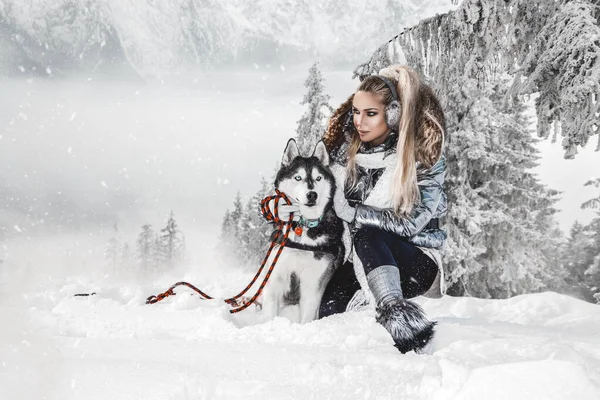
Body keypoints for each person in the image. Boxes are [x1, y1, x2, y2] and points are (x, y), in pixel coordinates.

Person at [318, 65, 447, 354]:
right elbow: (325, 201)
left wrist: (354, 213)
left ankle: (398, 317)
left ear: (393, 113)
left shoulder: (424, 155)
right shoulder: (348, 155)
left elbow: (411, 224)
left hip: (415, 261)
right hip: (364, 258)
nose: (360, 122)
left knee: (368, 232)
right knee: (328, 311)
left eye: (370, 113)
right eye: (356, 112)